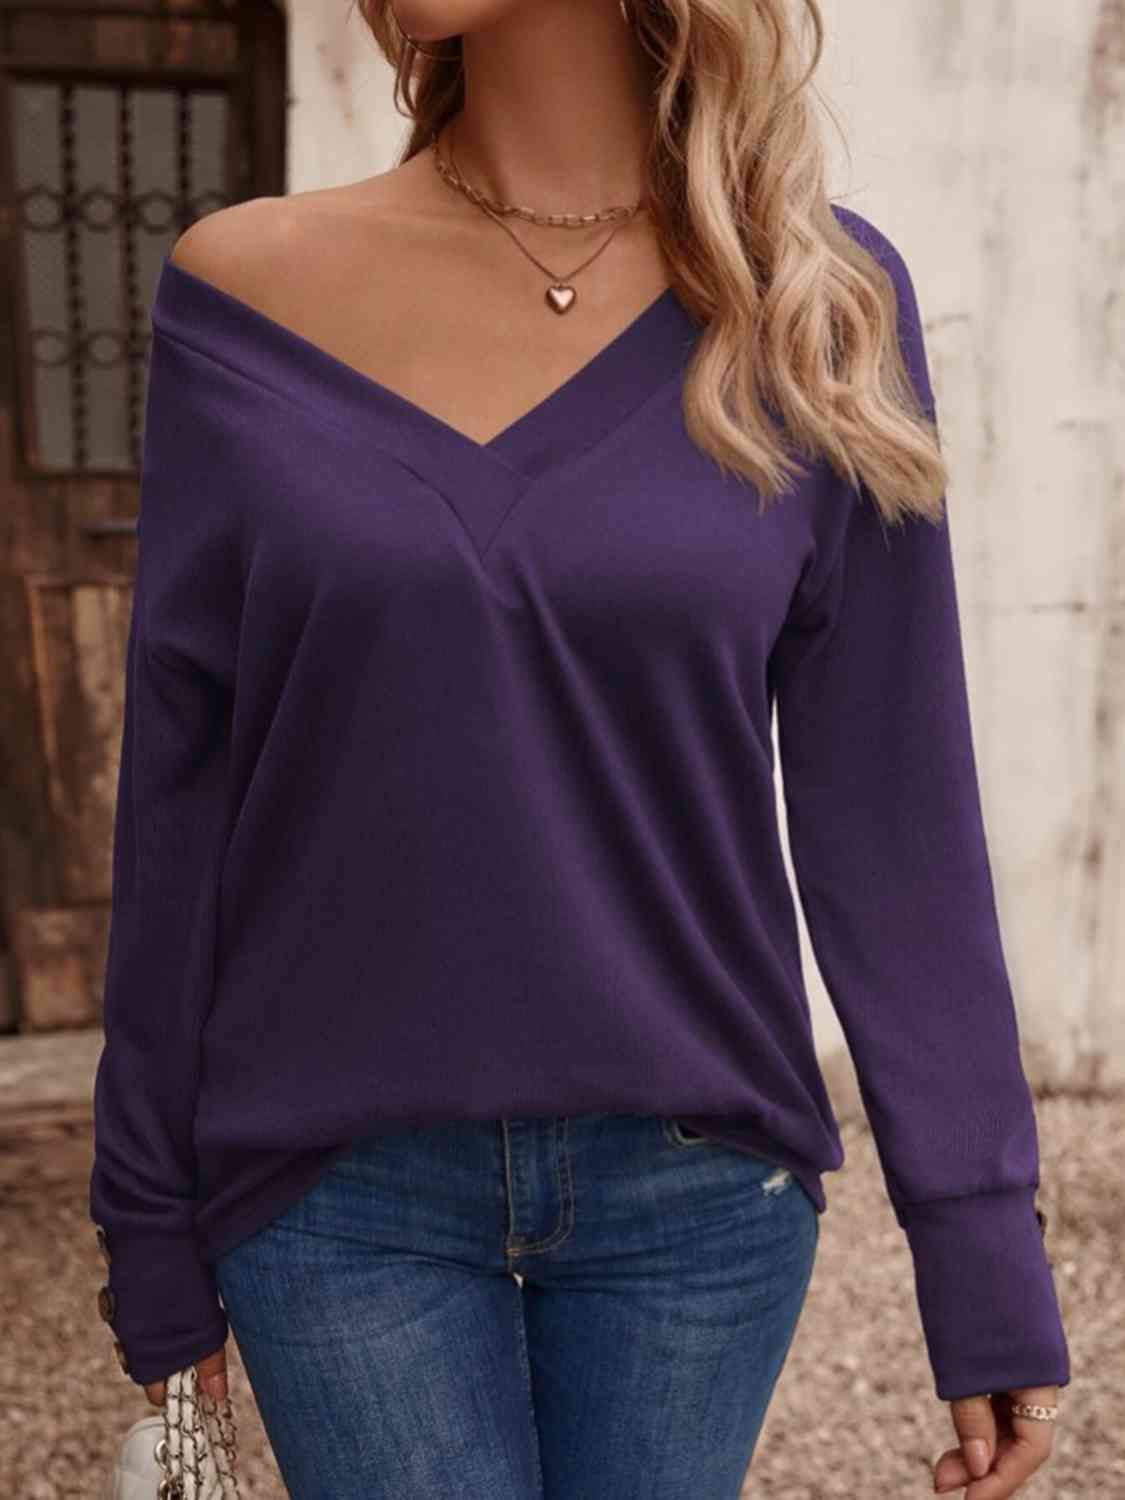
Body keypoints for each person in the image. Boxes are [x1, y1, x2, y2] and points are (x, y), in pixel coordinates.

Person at [88, 2, 1070, 1496]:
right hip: (334, 1190)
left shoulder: (816, 300)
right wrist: (147, 1217)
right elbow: (181, 794)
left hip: (698, 1192)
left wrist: (980, 1244)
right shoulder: (243, 291)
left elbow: (893, 814)